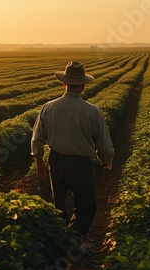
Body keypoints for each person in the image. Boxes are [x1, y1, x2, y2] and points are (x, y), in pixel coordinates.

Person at [31, 61, 114, 242]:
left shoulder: (48, 107)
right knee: (86, 207)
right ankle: (71, 241)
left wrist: (39, 160)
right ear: (83, 86)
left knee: (58, 205)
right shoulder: (92, 112)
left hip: (56, 160)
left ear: (64, 83)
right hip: (80, 164)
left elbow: (36, 138)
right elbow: (104, 143)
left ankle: (59, 242)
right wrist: (106, 160)